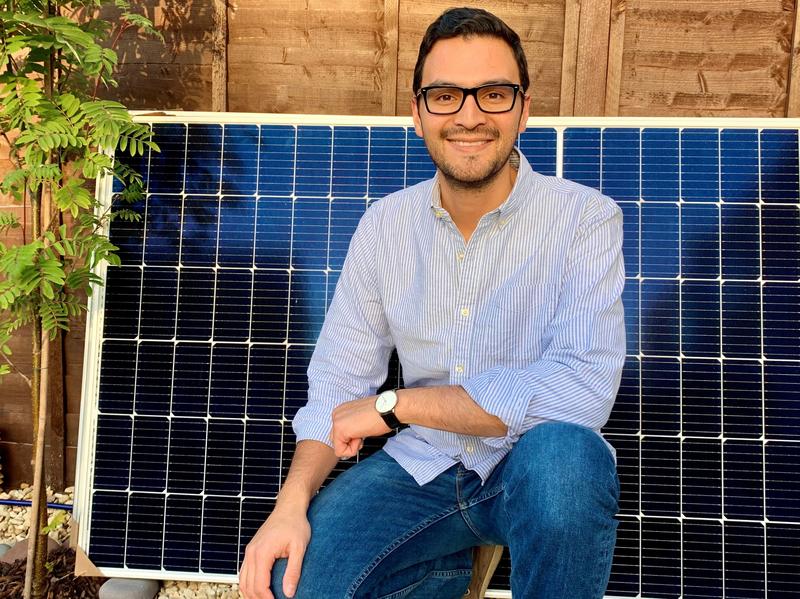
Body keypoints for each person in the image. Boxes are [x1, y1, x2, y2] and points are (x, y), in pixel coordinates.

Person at [239, 6, 625, 599]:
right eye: (445, 96)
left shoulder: (584, 218)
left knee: (569, 462)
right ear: (418, 114)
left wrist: (398, 405)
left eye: (493, 93)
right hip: (422, 471)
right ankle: (440, 574)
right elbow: (339, 385)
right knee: (286, 580)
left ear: (523, 109)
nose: (470, 115)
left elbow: (581, 390)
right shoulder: (384, 228)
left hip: (530, 467)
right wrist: (289, 506)